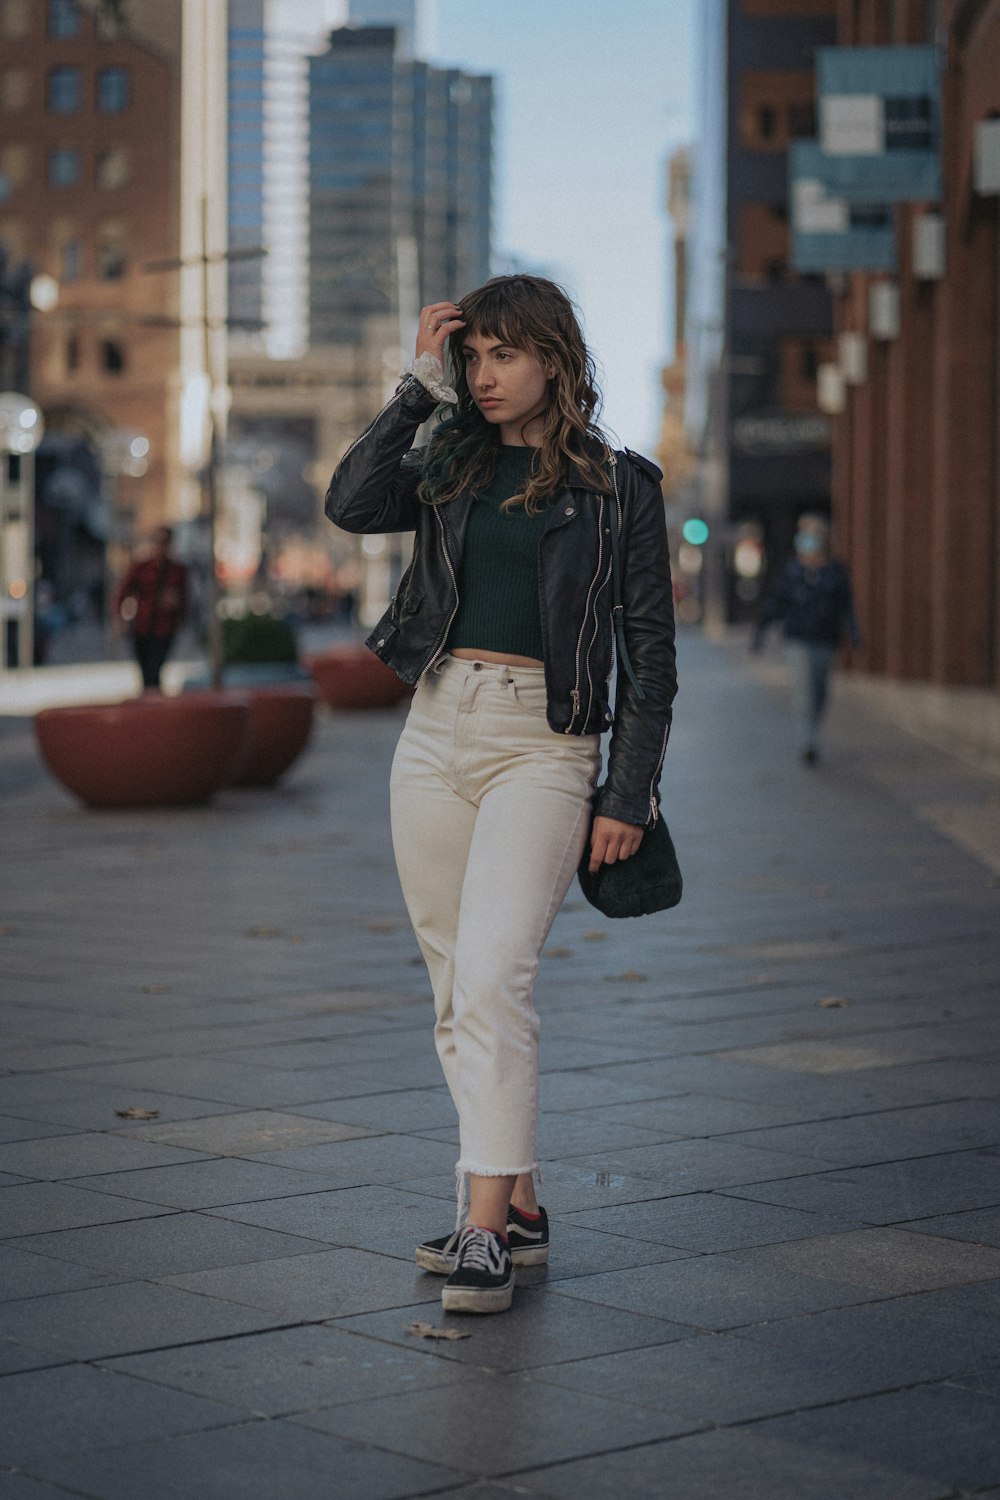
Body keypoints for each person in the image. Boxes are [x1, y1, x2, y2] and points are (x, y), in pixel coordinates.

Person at [325, 274, 677, 1314]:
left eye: (502, 357)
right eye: (471, 357)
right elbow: (349, 504)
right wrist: (414, 388)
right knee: (451, 985)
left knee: (491, 978)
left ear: (555, 362)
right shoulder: (446, 459)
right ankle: (516, 1198)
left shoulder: (624, 487)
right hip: (435, 727)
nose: (483, 377)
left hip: (545, 744)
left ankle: (480, 1230)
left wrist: (630, 791)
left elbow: (648, 654)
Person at [752, 513, 860, 765]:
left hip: (826, 640)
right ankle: (808, 742)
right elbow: (775, 603)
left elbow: (846, 606)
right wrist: (760, 633)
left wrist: (854, 634)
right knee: (803, 691)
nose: (808, 540)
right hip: (797, 640)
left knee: (820, 691)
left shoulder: (835, 571)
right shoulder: (791, 571)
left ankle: (812, 729)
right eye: (804, 534)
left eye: (813, 535)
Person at [113, 525, 188, 692]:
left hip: (165, 628)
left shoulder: (178, 570)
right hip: (142, 626)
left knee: (155, 669)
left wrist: (176, 606)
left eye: (165, 542)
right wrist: (120, 619)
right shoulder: (141, 567)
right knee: (145, 672)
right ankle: (150, 704)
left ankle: (153, 705)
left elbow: (185, 600)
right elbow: (122, 592)